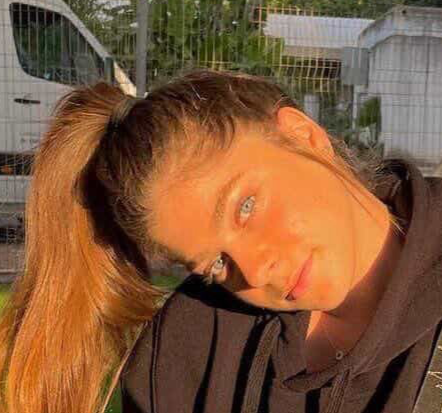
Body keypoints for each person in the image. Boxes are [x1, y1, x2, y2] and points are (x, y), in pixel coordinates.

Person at [0, 70, 441, 413]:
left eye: (245, 207)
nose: (255, 271)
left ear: (304, 136)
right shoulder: (187, 348)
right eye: (216, 264)